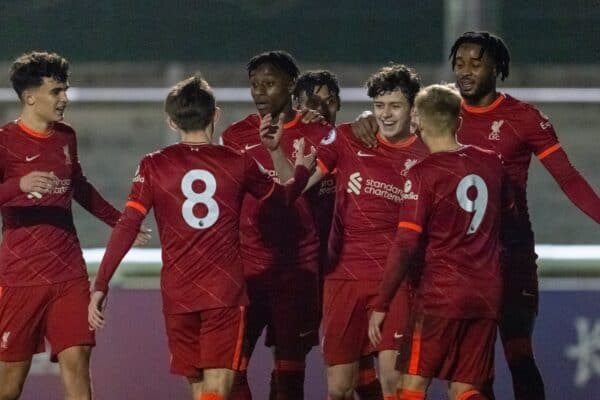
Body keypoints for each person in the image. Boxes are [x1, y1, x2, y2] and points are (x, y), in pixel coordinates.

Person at [354, 31, 600, 400]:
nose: (465, 71)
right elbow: (396, 116)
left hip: (509, 259)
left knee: (518, 356)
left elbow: (568, 178)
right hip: (446, 266)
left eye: (475, 62)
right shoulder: (441, 113)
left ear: (498, 68)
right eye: (459, 63)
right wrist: (367, 120)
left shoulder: (524, 119)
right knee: (472, 380)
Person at [88, 74, 316, 400]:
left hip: (178, 296)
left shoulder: (153, 165)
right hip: (223, 293)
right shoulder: (238, 162)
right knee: (218, 391)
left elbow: (127, 226)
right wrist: (303, 169)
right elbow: (282, 199)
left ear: (171, 121)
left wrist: (100, 284)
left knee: (201, 392)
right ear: (216, 115)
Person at [262, 64, 428, 400]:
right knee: (339, 388)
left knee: (393, 382)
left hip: (394, 281)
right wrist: (276, 151)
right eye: (379, 106)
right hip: (343, 278)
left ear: (412, 108)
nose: (386, 115)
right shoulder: (349, 138)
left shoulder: (425, 154)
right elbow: (295, 187)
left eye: (395, 106)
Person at [0, 51, 150, 400]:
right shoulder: (5, 141)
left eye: (65, 90)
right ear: (30, 97)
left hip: (69, 275)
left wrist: (120, 221)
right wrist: (17, 186)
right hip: (21, 278)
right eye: (56, 91)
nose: (65, 98)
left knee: (78, 364)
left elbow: (79, 185)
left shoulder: (66, 136)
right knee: (8, 387)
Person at [369, 84, 516, 400]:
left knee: (411, 385)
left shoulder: (423, 173)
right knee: (465, 388)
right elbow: (509, 221)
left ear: (418, 122)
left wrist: (382, 303)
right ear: (459, 121)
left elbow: (406, 242)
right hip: (487, 293)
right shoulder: (492, 163)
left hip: (442, 293)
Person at [220, 50, 333, 400]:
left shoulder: (319, 131)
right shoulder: (235, 136)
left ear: (290, 85)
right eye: (254, 85)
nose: (259, 92)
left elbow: (297, 192)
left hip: (297, 271)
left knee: (289, 374)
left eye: (269, 84)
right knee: (231, 368)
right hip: (249, 270)